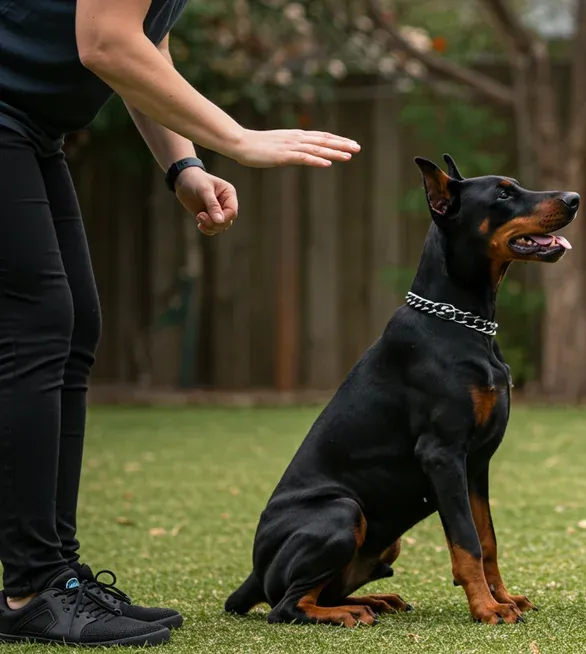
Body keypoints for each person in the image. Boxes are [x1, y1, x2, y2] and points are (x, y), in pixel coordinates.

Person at [0, 0, 361, 647]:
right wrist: (240, 138)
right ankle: (31, 585)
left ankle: (54, 577)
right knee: (38, 326)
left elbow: (141, 44)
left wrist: (184, 164)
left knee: (73, 324)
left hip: (28, 126)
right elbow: (105, 44)